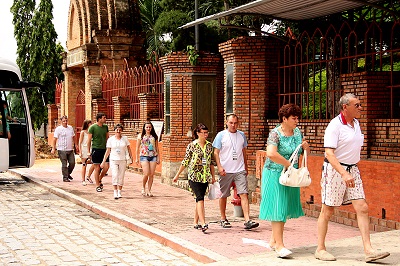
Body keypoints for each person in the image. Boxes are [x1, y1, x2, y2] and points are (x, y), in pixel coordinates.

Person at [315, 93, 390, 263]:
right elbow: (328, 153)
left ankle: (368, 250)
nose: (360, 108)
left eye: (360, 105)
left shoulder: (356, 124)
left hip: (353, 169)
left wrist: (349, 170)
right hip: (334, 170)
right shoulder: (334, 126)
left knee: (362, 207)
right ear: (345, 107)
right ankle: (320, 248)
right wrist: (343, 172)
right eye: (357, 105)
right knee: (328, 210)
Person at [259, 104, 310, 258]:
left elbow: (300, 151)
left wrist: (306, 148)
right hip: (274, 174)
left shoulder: (297, 133)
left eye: (297, 117)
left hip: (290, 176)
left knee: (284, 207)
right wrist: (288, 164)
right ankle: (280, 246)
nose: (297, 121)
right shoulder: (275, 134)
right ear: (284, 119)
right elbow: (271, 153)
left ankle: (274, 241)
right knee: (277, 208)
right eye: (294, 118)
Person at [212, 113, 259, 230]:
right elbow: (216, 152)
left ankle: (247, 220)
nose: (233, 125)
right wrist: (219, 166)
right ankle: (223, 218)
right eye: (231, 123)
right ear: (227, 123)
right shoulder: (221, 135)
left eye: (235, 123)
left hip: (239, 169)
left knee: (244, 193)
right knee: (223, 195)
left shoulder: (242, 135)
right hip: (225, 170)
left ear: (238, 123)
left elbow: (244, 152)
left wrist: (246, 167)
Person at [173, 123, 216, 233]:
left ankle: (195, 222)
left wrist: (213, 176)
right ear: (198, 133)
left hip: (205, 176)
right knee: (200, 198)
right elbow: (185, 161)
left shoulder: (209, 146)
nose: (206, 135)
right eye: (203, 133)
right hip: (194, 176)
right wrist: (177, 175)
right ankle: (203, 223)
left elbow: (211, 162)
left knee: (199, 199)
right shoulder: (192, 146)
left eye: (207, 133)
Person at [100, 124, 132, 199]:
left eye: (120, 130)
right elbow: (108, 151)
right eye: (117, 130)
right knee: (115, 174)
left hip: (122, 159)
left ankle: (119, 191)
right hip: (113, 159)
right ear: (114, 131)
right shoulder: (110, 139)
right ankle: (115, 191)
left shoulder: (125, 138)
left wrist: (131, 157)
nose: (118, 131)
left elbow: (128, 148)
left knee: (121, 175)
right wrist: (103, 161)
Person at [51, 116, 79, 182]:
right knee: (64, 164)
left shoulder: (70, 128)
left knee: (72, 163)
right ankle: (65, 177)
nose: (65, 122)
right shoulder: (58, 129)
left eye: (66, 121)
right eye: (64, 121)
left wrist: (76, 144)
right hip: (61, 149)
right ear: (61, 122)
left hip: (70, 149)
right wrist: (53, 148)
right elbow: (54, 139)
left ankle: (67, 173)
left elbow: (73, 136)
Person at [135, 121, 159, 197]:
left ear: (151, 128)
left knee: (151, 174)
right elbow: (137, 148)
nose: (148, 128)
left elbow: (157, 148)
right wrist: (137, 158)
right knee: (146, 173)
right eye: (147, 127)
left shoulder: (154, 136)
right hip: (144, 156)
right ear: (144, 128)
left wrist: (158, 157)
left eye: (149, 127)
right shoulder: (140, 136)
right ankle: (143, 187)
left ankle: (149, 190)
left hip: (153, 156)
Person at [87, 112, 110, 192]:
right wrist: (88, 151)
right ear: (99, 119)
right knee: (97, 168)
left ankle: (99, 179)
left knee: (106, 166)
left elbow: (107, 138)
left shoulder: (105, 127)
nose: (105, 119)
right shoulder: (92, 127)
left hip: (105, 149)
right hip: (96, 149)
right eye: (104, 118)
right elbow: (89, 140)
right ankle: (97, 185)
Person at [79, 119, 93, 186]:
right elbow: (80, 142)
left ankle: (89, 175)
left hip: (90, 148)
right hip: (84, 149)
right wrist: (80, 151)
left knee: (94, 163)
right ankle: (83, 179)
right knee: (84, 165)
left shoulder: (92, 132)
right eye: (90, 123)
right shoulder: (83, 132)